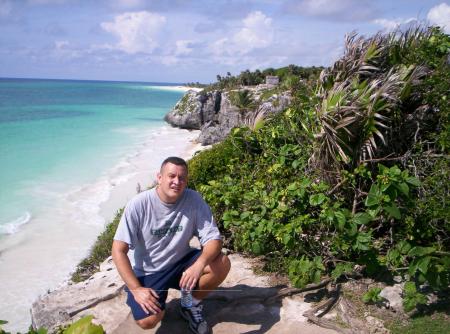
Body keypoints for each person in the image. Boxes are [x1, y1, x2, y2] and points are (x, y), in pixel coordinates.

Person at [112, 156, 230, 334]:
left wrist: (199, 265)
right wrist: (136, 289)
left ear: (186, 181)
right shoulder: (138, 205)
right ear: (159, 177)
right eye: (171, 176)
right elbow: (118, 250)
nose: (177, 182)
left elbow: (214, 239)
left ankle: (189, 304)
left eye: (182, 178)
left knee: (221, 263)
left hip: (182, 262)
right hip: (150, 271)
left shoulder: (193, 199)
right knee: (148, 321)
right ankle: (161, 300)